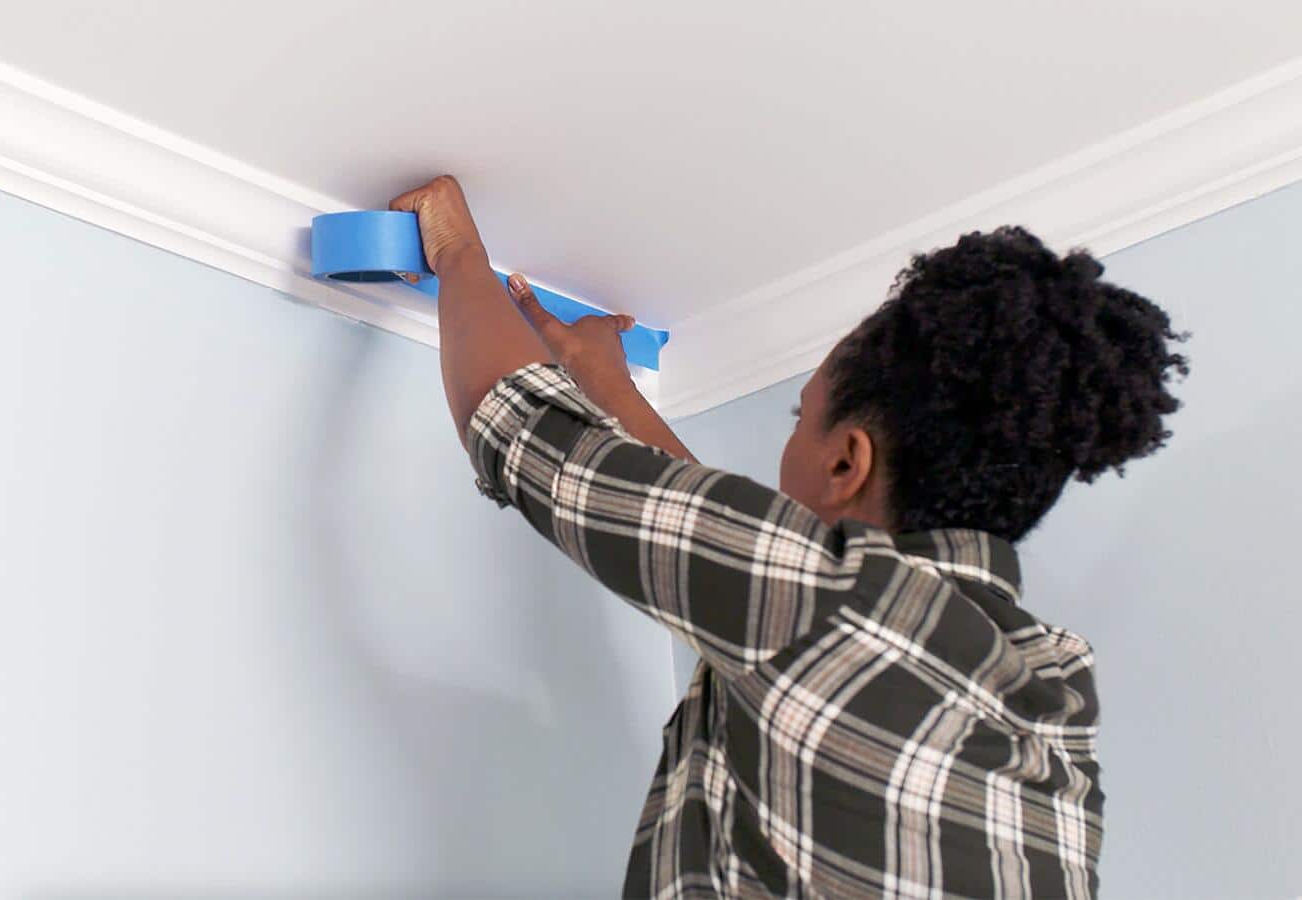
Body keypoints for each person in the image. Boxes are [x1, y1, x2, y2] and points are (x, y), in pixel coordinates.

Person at [388, 175, 1187, 899]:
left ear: (847, 461)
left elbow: (522, 427)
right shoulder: (1052, 688)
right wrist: (608, 385)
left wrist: (458, 252)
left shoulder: (829, 607)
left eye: (800, 418)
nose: (794, 436)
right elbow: (737, 573)